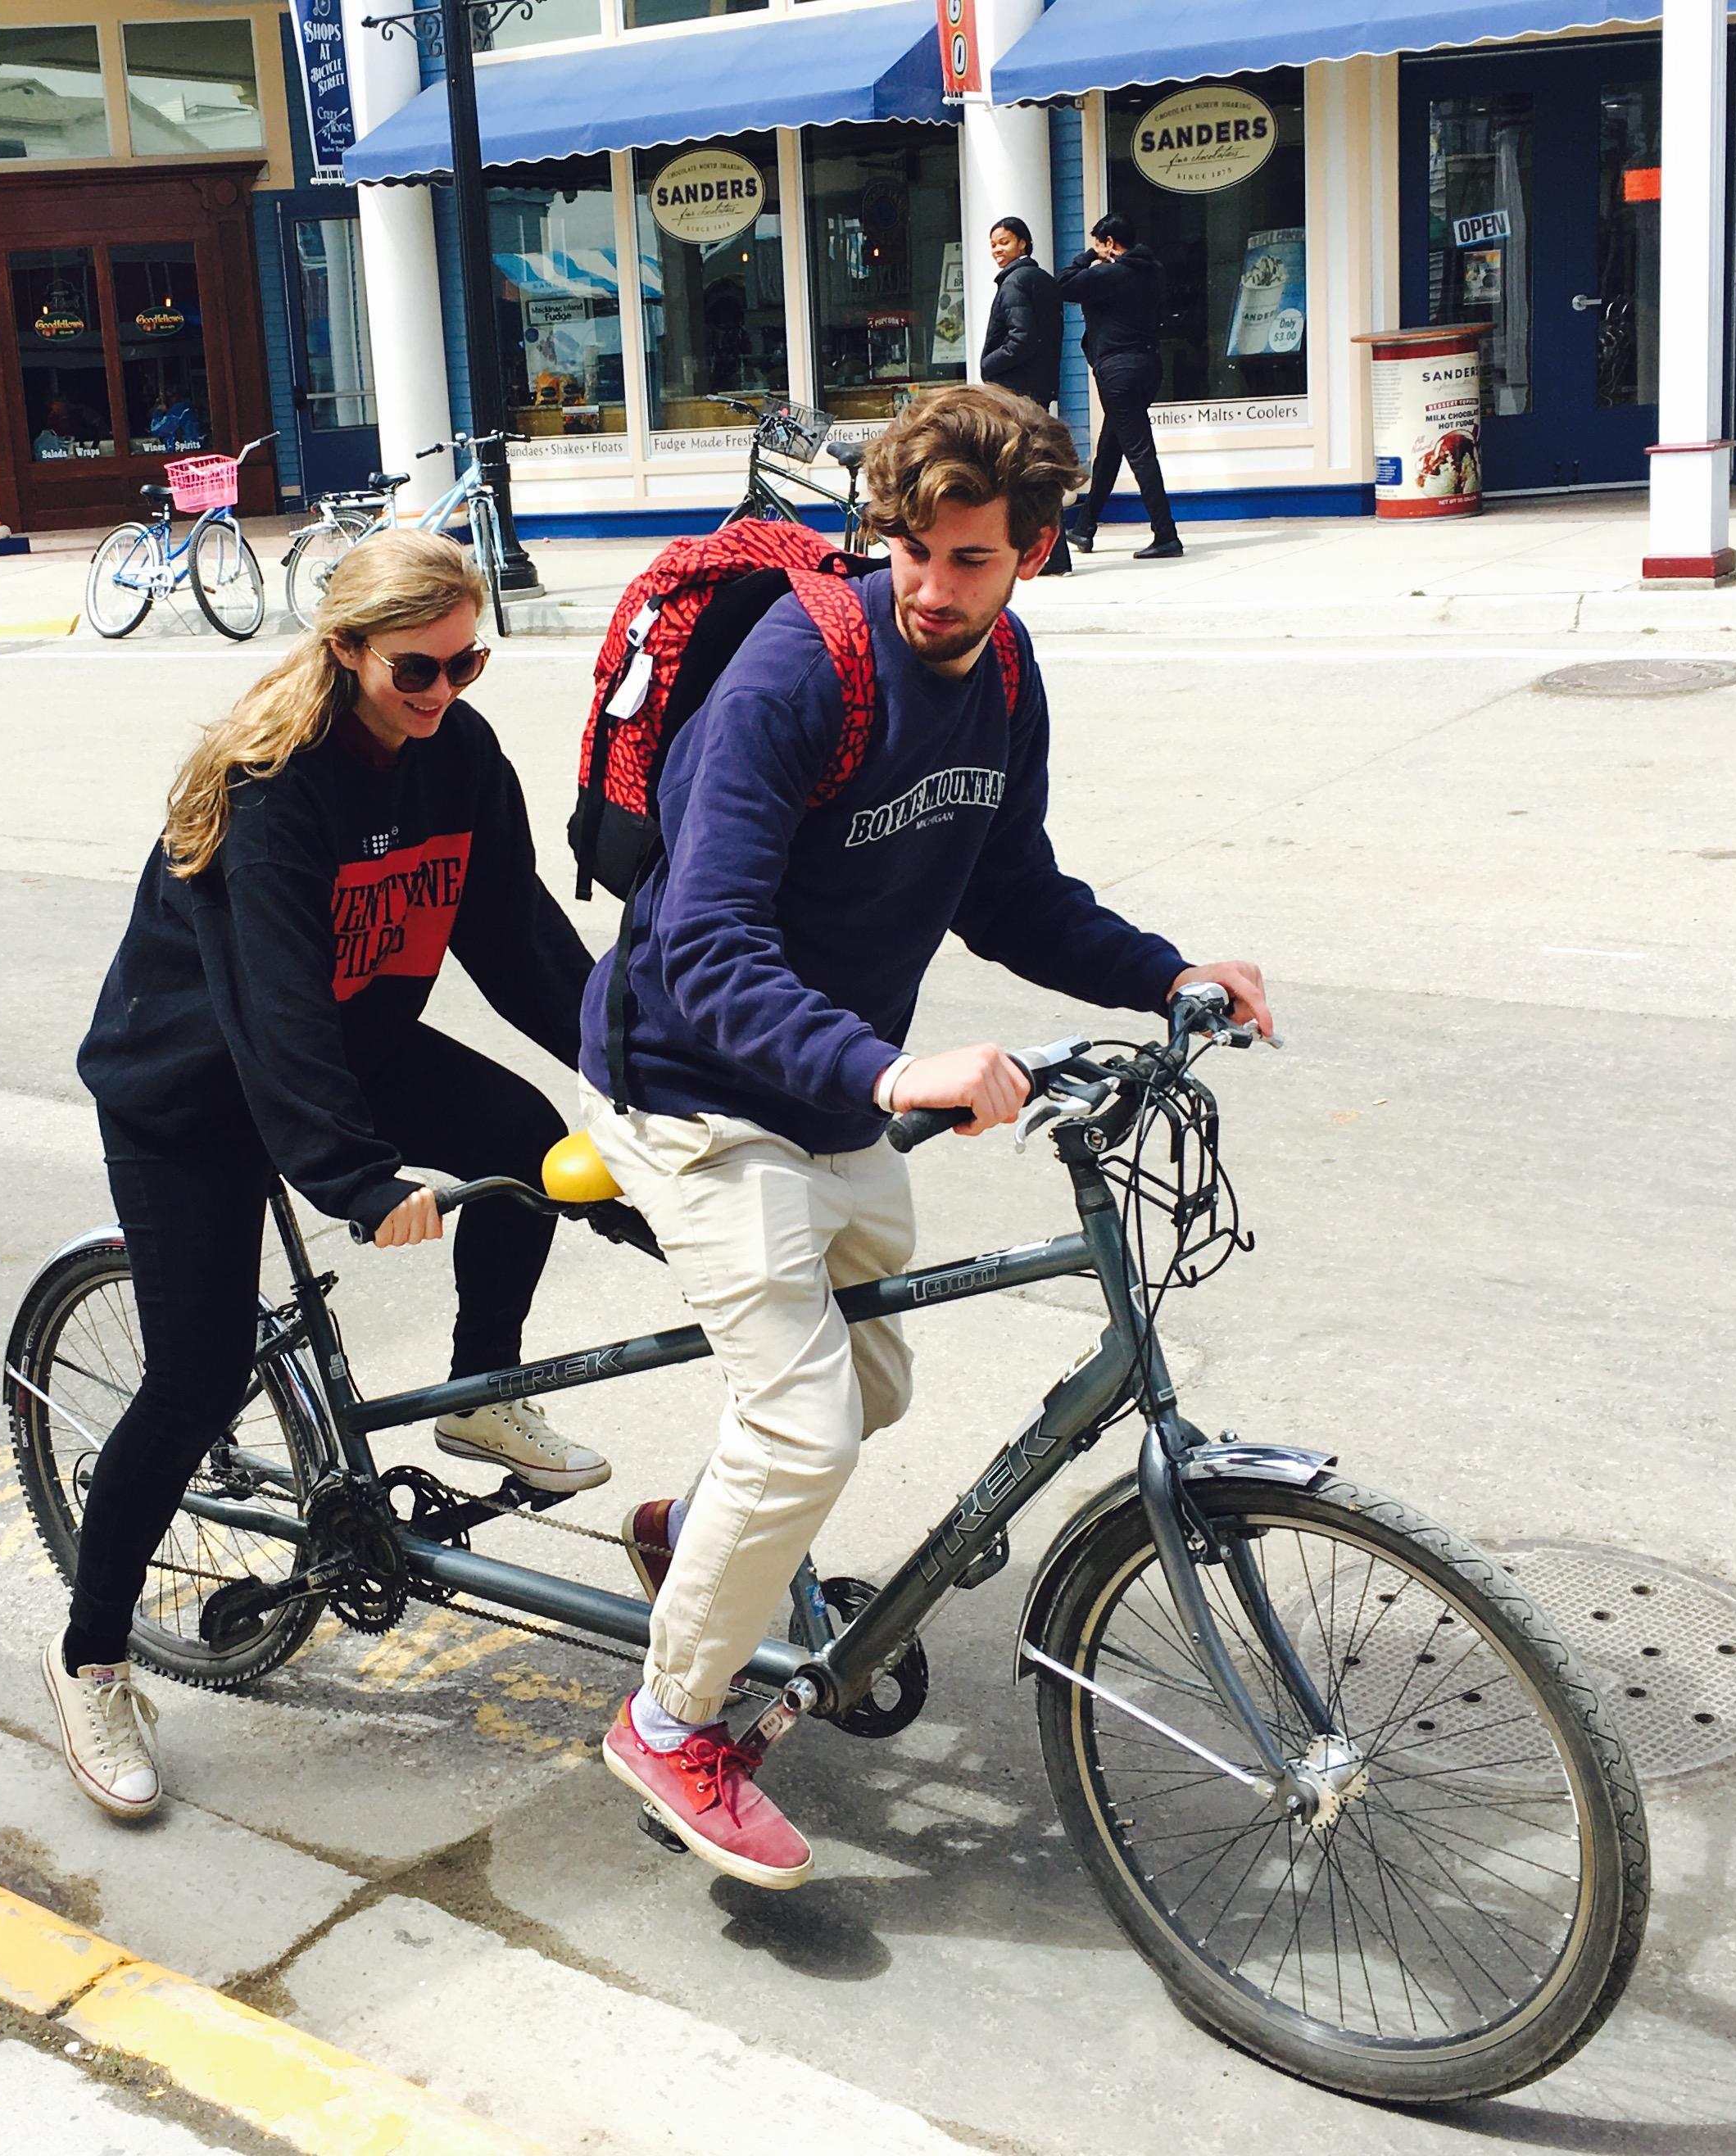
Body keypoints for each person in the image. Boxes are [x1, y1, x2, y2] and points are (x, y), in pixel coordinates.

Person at [579, 385, 1269, 1887]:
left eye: (970, 559)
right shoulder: (794, 674)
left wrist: (1168, 971)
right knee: (804, 1419)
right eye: (909, 550)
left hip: (837, 1083)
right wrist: (892, 1070)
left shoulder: (1002, 673)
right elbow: (699, 943)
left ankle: (689, 1535)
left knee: (871, 1380)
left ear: (1034, 553)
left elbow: (1005, 885)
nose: (932, 588)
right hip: (693, 1090)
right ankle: (669, 1721)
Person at [45, 529, 605, 1822]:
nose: (446, 691)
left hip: (343, 1047)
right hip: (189, 1087)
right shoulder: (271, 786)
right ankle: (90, 1658)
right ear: (346, 649)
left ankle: (482, 1394)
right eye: (420, 666)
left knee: (530, 1149)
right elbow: (275, 1004)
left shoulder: (457, 756)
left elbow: (518, 936)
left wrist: (639, 1081)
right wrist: (351, 1177)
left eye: (471, 664)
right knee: (193, 1377)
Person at [1057, 214, 1181, 561]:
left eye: (1099, 242)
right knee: (1112, 447)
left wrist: (1089, 258)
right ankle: (1084, 527)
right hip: (1148, 365)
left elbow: (1064, 284)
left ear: (1110, 243)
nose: (1096, 249)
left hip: (1118, 369)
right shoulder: (1152, 270)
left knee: (1140, 451)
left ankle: (1166, 534)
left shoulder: (1110, 274)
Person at [978, 217, 1072, 578]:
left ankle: (1049, 554)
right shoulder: (1042, 281)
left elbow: (1023, 337)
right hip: (1040, 388)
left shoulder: (1016, 282)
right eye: (993, 244)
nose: (997, 250)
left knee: (1024, 472)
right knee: (1037, 470)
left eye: (1004, 242)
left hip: (1018, 392)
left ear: (1023, 243)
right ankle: (1053, 554)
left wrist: (989, 365)